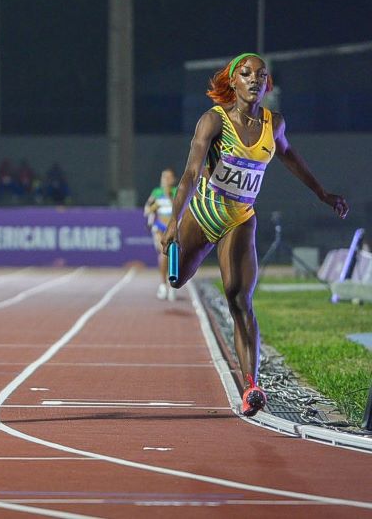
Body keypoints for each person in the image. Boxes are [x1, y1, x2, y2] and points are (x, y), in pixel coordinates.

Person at [162, 53, 349, 417]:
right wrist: (174, 220)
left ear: (267, 84)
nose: (254, 79)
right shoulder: (212, 121)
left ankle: (252, 386)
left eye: (261, 75)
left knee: (239, 298)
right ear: (233, 82)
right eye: (246, 74)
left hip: (240, 218)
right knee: (177, 280)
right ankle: (177, 248)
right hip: (203, 213)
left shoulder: (273, 124)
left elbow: (291, 156)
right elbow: (189, 173)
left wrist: (322, 193)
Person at [144, 167, 178, 301]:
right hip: (159, 228)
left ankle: (172, 285)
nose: (165, 180)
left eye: (169, 177)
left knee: (173, 256)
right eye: (164, 177)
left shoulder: (176, 191)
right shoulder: (156, 192)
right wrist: (154, 206)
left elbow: (182, 208)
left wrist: (169, 196)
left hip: (174, 229)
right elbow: (147, 210)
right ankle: (163, 285)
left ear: (173, 180)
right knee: (164, 253)